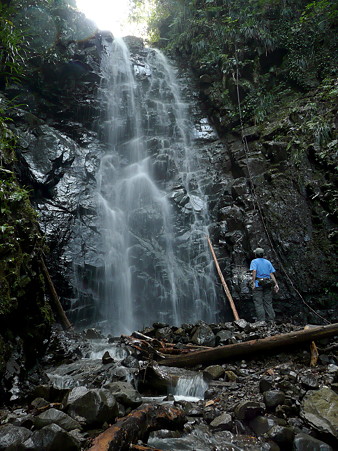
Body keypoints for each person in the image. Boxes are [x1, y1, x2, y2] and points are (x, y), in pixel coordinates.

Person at [250, 248, 279, 322]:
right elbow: (271, 273)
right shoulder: (267, 262)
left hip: (258, 284)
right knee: (268, 303)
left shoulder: (254, 261)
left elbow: (254, 271)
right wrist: (276, 284)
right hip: (268, 284)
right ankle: (271, 320)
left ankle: (261, 321)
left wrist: (253, 282)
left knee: (259, 303)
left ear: (256, 254)